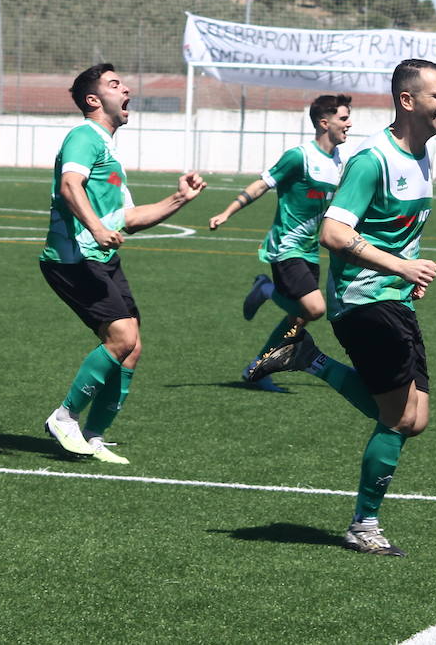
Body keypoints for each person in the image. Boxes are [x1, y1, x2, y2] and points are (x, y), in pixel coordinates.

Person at [249, 58, 436, 556]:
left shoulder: (421, 157)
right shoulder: (372, 159)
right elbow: (334, 234)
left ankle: (306, 358)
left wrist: (409, 271)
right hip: (362, 300)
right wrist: (400, 269)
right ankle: (364, 525)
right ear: (408, 101)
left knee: (414, 419)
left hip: (393, 299)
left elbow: (396, 232)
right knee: (400, 417)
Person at [39, 63, 206, 465]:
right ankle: (64, 416)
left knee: (131, 349)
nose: (127, 88)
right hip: (73, 258)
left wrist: (179, 198)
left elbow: (129, 218)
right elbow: (69, 186)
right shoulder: (84, 136)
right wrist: (95, 228)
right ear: (94, 100)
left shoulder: (109, 153)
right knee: (121, 339)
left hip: (100, 257)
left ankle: (93, 435)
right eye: (115, 84)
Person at [208, 94, 353, 391]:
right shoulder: (299, 156)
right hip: (286, 247)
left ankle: (257, 368)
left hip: (310, 252)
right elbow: (262, 184)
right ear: (324, 123)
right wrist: (227, 211)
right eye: (343, 118)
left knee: (299, 317)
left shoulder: (339, 161)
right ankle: (265, 288)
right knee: (314, 309)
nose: (349, 124)